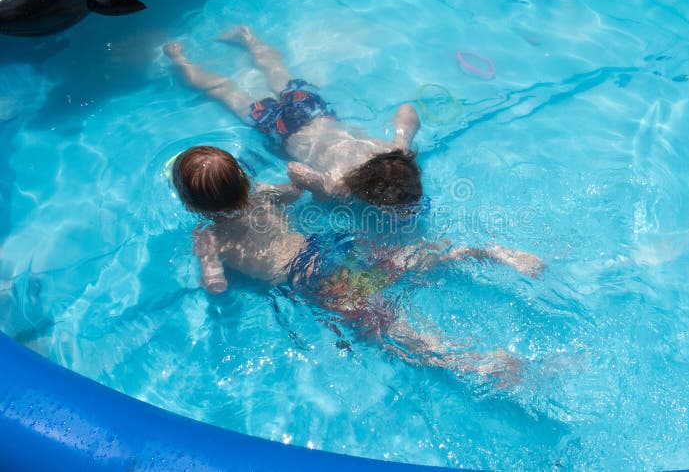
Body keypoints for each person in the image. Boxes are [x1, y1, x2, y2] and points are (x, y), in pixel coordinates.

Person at [170, 145, 544, 382]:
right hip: (329, 244)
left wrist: (205, 257)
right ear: (243, 179)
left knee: (389, 332)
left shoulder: (213, 237)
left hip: (307, 278)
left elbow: (216, 287)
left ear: (193, 206)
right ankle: (485, 252)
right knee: (411, 261)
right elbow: (294, 192)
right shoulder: (263, 195)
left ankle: (482, 365)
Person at [163, 26, 423, 207]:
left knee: (278, 72)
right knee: (227, 93)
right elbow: (295, 170)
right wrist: (319, 189)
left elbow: (407, 111)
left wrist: (402, 139)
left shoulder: (394, 149)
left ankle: (247, 38)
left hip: (313, 109)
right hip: (282, 130)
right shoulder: (339, 186)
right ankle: (180, 60)